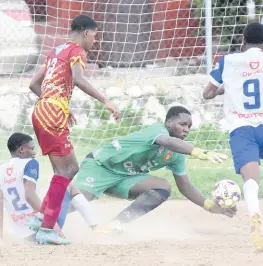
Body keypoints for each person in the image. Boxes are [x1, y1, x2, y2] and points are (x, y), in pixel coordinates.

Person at [72, 105, 236, 235]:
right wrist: (198, 152)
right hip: (100, 166)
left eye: (189, 126)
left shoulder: (177, 154)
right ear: (168, 123)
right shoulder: (157, 131)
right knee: (76, 202)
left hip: (125, 178)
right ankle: (47, 220)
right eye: (182, 124)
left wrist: (209, 205)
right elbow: (166, 141)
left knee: (163, 187)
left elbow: (185, 185)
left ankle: (115, 225)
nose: (186, 129)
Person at [29, 14, 119, 245]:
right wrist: (106, 101)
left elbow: (33, 84)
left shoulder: (55, 51)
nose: (94, 42)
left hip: (41, 111)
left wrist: (55, 104)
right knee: (67, 171)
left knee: (67, 170)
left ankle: (42, 218)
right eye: (94, 36)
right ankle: (47, 227)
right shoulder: (77, 51)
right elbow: (78, 79)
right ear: (86, 33)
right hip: (53, 115)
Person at [203, 22, 263, 251]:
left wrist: (225, 88)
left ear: (243, 41)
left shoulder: (228, 61)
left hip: (242, 127)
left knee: (251, 179)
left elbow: (207, 93)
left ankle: (255, 214)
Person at [0, 133, 99, 243]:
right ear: (22, 150)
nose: (35, 152)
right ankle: (96, 227)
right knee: (68, 185)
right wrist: (52, 224)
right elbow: (29, 195)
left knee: (52, 192)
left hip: (24, 235)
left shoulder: (1, 169)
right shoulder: (30, 162)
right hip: (41, 229)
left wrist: (1, 237)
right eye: (32, 149)